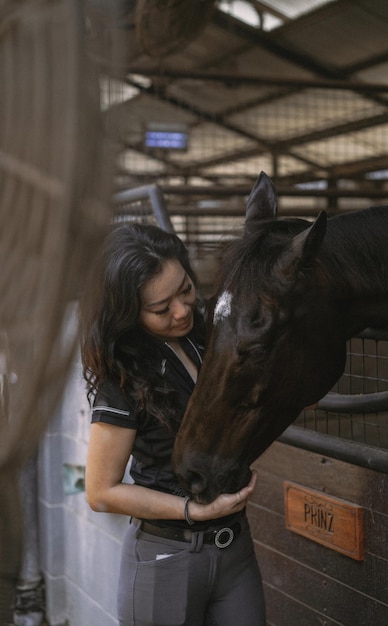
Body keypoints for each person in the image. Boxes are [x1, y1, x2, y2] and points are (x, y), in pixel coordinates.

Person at [80, 222, 266, 626]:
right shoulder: (124, 376)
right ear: (129, 312)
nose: (182, 311)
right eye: (161, 309)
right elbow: (100, 491)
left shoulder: (208, 335)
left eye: (184, 289)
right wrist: (193, 511)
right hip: (167, 559)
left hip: (235, 549)